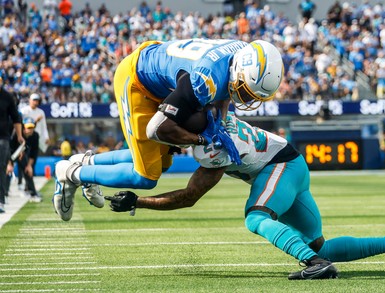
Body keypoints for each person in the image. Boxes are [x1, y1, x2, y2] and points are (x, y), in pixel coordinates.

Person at [105, 111, 385, 280]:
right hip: (290, 164)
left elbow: (188, 197)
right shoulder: (215, 112)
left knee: (256, 217)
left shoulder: (212, 149)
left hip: (280, 166)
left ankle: (313, 263)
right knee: (319, 244)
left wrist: (139, 201)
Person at [52, 38, 284, 221]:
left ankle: (86, 162)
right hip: (138, 80)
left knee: (163, 160)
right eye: (244, 91)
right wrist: (198, 140)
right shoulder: (206, 80)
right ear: (239, 71)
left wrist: (220, 124)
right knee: (144, 176)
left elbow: (224, 91)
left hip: (162, 75)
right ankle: (70, 173)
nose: (244, 98)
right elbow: (157, 129)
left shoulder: (241, 54)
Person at [0, 77, 25, 213]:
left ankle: (0, 200)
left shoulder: (7, 97)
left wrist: (20, 135)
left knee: (1, 167)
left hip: (2, 137)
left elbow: (16, 118)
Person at [10, 117, 42, 202]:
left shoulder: (35, 136)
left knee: (28, 171)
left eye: (32, 127)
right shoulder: (15, 133)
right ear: (24, 127)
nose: (30, 130)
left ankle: (32, 192)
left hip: (23, 153)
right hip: (11, 153)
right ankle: (4, 194)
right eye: (28, 127)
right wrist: (10, 163)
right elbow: (10, 148)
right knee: (6, 171)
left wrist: (29, 166)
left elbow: (34, 153)